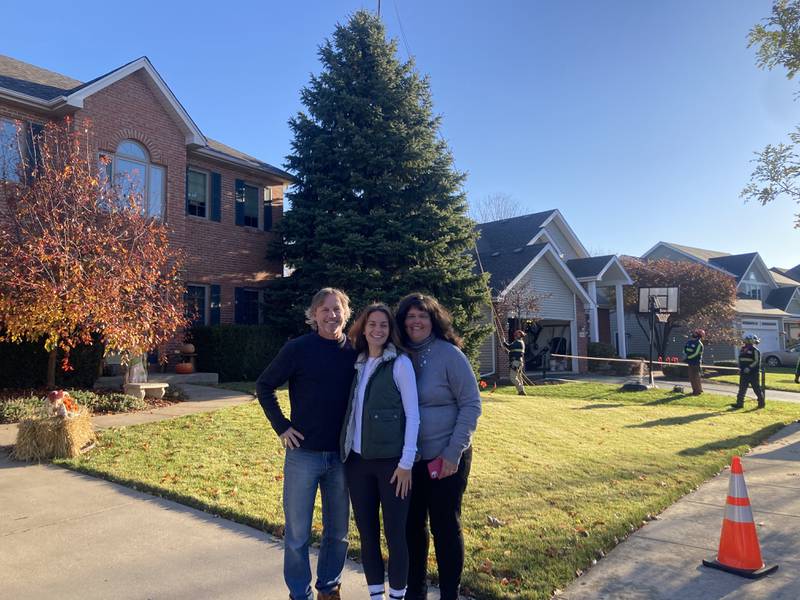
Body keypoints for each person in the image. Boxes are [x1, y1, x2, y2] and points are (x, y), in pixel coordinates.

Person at [256, 288, 357, 600]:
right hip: (303, 455)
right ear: (314, 315)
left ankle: (329, 588)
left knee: (338, 533)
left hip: (342, 457)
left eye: (337, 309)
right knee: (298, 534)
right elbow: (265, 385)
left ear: (346, 313)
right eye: (324, 310)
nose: (331, 315)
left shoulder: (355, 352)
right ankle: (300, 594)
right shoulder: (298, 349)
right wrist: (282, 427)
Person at [395, 293, 482, 600]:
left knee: (445, 528)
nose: (416, 321)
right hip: (409, 461)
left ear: (433, 320)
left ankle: (449, 594)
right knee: (411, 528)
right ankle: (414, 592)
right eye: (410, 316)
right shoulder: (398, 355)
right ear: (402, 322)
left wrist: (452, 453)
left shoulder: (449, 355)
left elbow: (471, 404)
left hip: (446, 458)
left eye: (422, 315)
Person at [341, 304, 420, 600]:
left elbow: (413, 415)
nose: (377, 330)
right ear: (363, 328)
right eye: (372, 324)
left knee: (395, 535)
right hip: (358, 464)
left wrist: (406, 462)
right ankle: (376, 595)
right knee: (368, 535)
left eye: (384, 325)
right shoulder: (358, 362)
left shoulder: (399, 363)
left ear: (390, 331)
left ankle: (397, 596)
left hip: (393, 465)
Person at [734, 333, 765, 409]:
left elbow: (756, 361)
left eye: (747, 340)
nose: (746, 341)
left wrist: (749, 368)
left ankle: (761, 403)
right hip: (744, 373)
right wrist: (740, 368)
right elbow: (741, 360)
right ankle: (739, 404)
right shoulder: (743, 349)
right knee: (742, 389)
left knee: (756, 388)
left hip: (753, 373)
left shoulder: (755, 350)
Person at [503, 329, 527, 395]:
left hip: (516, 362)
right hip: (519, 362)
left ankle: (521, 390)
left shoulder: (517, 342)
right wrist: (507, 351)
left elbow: (509, 347)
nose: (515, 334)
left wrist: (504, 342)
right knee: (519, 377)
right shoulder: (520, 342)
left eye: (517, 334)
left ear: (519, 335)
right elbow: (513, 351)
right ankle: (521, 391)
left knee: (512, 377)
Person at [683, 329, 705, 396]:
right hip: (690, 363)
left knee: (696, 377)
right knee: (691, 377)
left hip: (696, 363)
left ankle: (698, 391)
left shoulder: (699, 344)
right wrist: (686, 355)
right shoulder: (689, 342)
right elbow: (685, 349)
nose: (694, 334)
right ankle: (694, 390)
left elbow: (696, 353)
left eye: (696, 333)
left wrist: (688, 357)